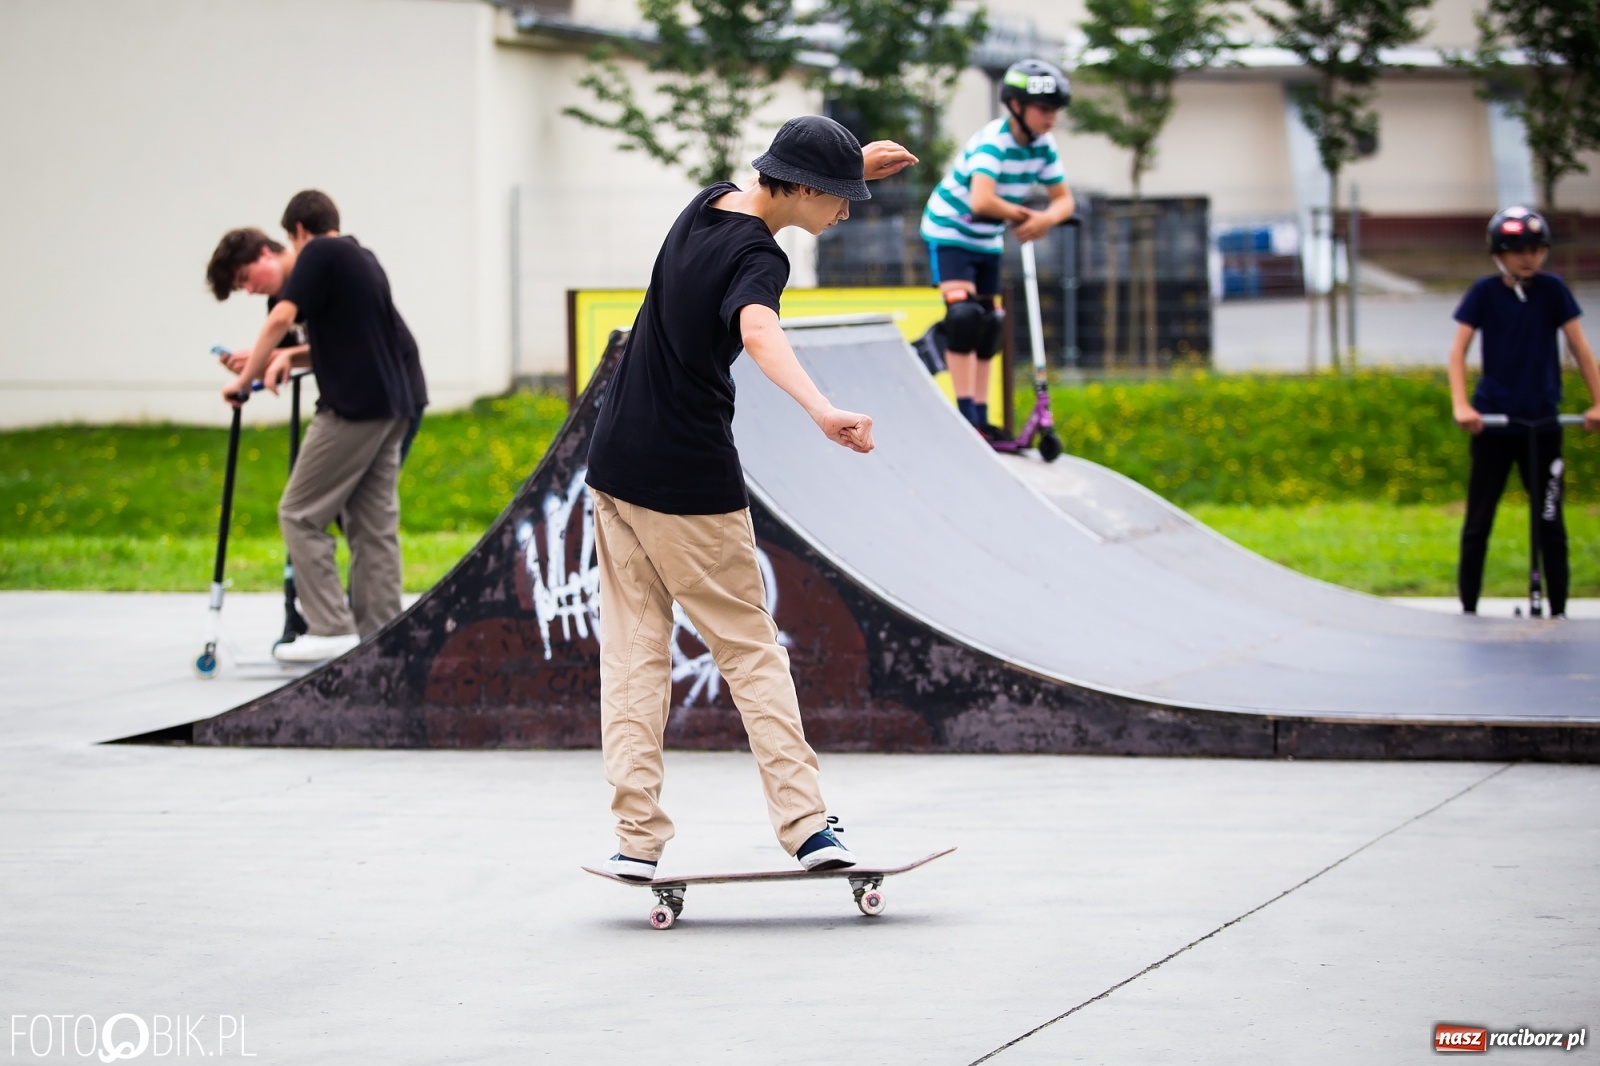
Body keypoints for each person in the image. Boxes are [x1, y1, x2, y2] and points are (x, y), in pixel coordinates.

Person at [585, 116, 916, 880]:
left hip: (616, 465)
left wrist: (850, 163)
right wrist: (821, 409)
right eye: (840, 196)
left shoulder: (705, 205)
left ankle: (636, 839)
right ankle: (807, 826)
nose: (847, 210)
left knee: (633, 653)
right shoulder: (761, 258)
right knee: (750, 650)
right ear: (801, 188)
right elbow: (760, 330)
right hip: (688, 482)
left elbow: (775, 181)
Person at [221, 191, 426, 662]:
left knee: (299, 513)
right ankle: (382, 640)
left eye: (247, 279)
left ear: (295, 232)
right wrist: (274, 359)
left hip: (352, 407)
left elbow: (282, 316)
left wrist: (244, 380)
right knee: (372, 528)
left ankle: (331, 627)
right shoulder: (363, 258)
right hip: (393, 407)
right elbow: (348, 341)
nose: (252, 291)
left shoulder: (318, 252)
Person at [1448, 205, 1600, 617]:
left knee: (1550, 521)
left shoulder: (1552, 290)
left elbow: (1579, 347)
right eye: (1518, 251)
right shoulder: (1484, 293)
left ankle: (1558, 608)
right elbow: (1458, 352)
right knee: (1479, 520)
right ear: (1499, 254)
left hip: (1543, 424)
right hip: (1494, 425)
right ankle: (1468, 607)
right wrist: (1462, 405)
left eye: (1535, 250)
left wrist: (1598, 402)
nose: (1528, 258)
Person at [921, 58, 1075, 437]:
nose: (1051, 117)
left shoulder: (1043, 146)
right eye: (1043, 108)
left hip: (987, 239)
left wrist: (1045, 220)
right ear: (1016, 105)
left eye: (1054, 109)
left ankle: (982, 416)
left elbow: (1064, 201)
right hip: (951, 230)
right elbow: (982, 201)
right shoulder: (994, 142)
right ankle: (966, 416)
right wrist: (1025, 216)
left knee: (990, 324)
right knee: (964, 318)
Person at [206, 226, 429, 462]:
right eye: (241, 288)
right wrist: (254, 368)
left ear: (265, 253)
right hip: (360, 398)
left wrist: (255, 372)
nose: (250, 290)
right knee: (364, 485)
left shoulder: (317, 270)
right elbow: (301, 359)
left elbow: (353, 341)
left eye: (245, 278)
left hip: (392, 386)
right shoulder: (279, 302)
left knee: (350, 482)